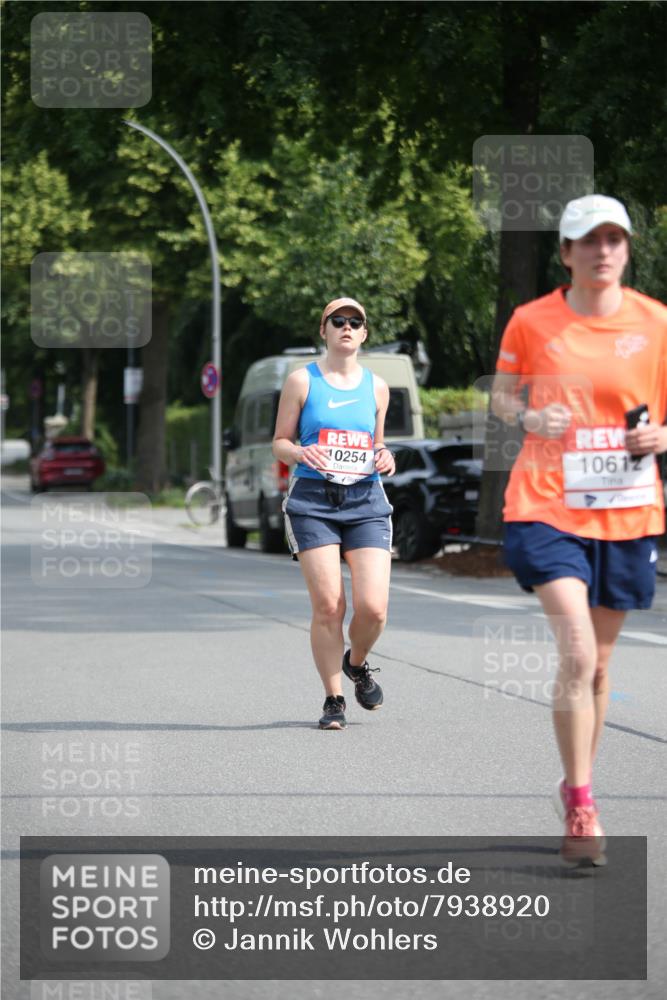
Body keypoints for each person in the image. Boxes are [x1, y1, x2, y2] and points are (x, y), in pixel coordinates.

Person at [491, 194, 667, 865]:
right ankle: (585, 807)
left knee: (599, 667)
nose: (601, 251)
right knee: (579, 655)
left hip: (625, 507)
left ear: (625, 249)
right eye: (587, 241)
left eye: (612, 239)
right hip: (544, 503)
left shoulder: (654, 323)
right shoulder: (531, 321)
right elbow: (503, 396)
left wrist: (658, 435)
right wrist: (529, 418)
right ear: (564, 253)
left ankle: (573, 786)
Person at [273, 297, 396, 730]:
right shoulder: (301, 381)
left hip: (365, 502)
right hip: (312, 501)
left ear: (364, 334)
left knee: (374, 609)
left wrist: (385, 456)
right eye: (337, 320)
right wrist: (298, 451)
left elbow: (376, 443)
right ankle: (334, 700)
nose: (346, 326)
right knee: (329, 605)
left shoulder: (377, 387)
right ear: (323, 331)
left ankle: (356, 663)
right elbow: (280, 442)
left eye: (355, 322)